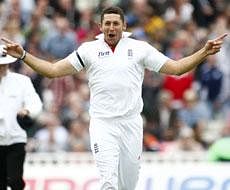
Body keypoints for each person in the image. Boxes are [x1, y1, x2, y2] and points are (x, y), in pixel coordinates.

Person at [1, 6, 227, 190]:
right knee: (108, 183)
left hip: (131, 124)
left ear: (124, 26)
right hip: (102, 124)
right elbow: (52, 70)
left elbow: (176, 69)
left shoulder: (140, 49)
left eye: (115, 23)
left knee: (127, 186)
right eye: (107, 23)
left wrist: (204, 52)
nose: (111, 27)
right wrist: (23, 54)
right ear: (100, 26)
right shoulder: (89, 50)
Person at [0, 45, 42, 190]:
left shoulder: (22, 81)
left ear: (8, 64)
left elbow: (35, 103)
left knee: (15, 180)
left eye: (3, 65)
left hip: (15, 138)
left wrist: (28, 110)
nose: (1, 68)